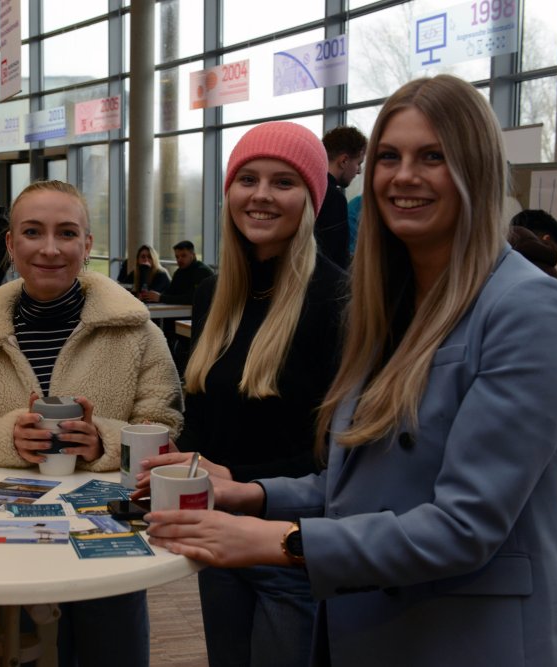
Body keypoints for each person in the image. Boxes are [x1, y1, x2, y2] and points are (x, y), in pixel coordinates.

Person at [141, 75, 557, 667]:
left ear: (475, 170)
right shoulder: (388, 307)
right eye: (390, 157)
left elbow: (466, 524)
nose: (404, 176)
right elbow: (359, 484)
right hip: (369, 620)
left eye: (433, 156)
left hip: (466, 634)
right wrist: (248, 492)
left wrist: (282, 540)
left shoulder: (528, 307)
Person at [0, 180, 183, 667]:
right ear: (10, 244)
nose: (50, 249)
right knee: (31, 651)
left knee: (113, 651)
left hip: (113, 542)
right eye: (32, 232)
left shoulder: (137, 331)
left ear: (87, 246)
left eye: (67, 233)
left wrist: (101, 442)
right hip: (14, 543)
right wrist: (7, 437)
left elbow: (163, 426)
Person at [174, 121, 345, 667]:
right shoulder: (212, 296)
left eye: (284, 182)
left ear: (311, 200)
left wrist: (245, 486)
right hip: (217, 536)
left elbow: (339, 453)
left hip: (290, 546)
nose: (262, 195)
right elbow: (199, 421)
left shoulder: (340, 299)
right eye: (247, 179)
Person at [315, 126, 367, 270]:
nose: (359, 171)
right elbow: (335, 257)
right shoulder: (334, 198)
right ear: (344, 161)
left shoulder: (308, 189)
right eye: (358, 163)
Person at [139, 240, 214, 305]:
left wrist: (161, 298)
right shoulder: (179, 272)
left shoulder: (202, 271)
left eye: (183, 256)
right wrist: (151, 297)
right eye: (177, 257)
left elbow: (193, 298)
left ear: (193, 255)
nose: (179, 259)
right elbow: (170, 292)